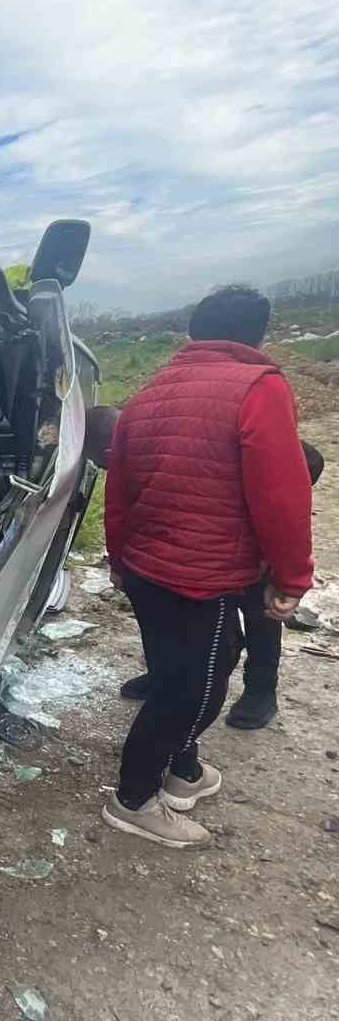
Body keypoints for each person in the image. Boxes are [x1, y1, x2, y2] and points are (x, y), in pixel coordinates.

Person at [101, 285, 314, 848]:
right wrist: (291, 577)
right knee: (196, 690)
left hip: (145, 569)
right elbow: (281, 495)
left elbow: (118, 489)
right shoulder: (259, 385)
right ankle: (133, 798)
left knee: (175, 670)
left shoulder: (150, 392)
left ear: (193, 331)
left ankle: (183, 772)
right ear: (259, 335)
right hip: (201, 575)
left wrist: (117, 558)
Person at [119, 440, 324, 727]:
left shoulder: (280, 455)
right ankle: (166, 676)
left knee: (261, 613)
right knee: (185, 612)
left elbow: (288, 515)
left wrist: (283, 572)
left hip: (253, 538)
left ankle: (261, 689)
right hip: (206, 527)